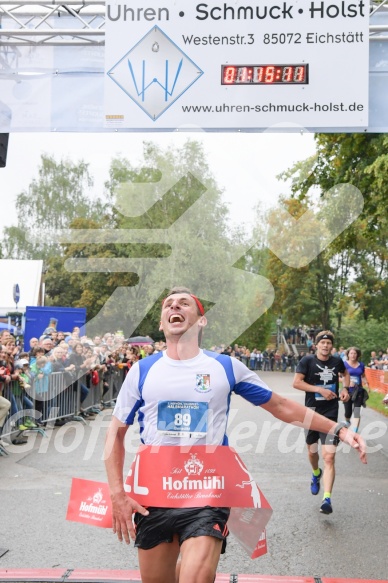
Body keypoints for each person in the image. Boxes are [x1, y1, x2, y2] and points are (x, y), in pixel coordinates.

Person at [105, 290, 366, 583]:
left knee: (196, 578)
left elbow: (280, 405)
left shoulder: (225, 366)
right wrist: (117, 494)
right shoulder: (142, 370)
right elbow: (115, 435)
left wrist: (338, 428)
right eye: (168, 304)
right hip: (155, 493)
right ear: (163, 324)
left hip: (208, 491)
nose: (174, 305)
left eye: (184, 303)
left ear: (201, 321)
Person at [293, 330, 352, 515]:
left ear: (332, 346)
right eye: (323, 343)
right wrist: (319, 389)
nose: (326, 346)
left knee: (329, 457)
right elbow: (296, 383)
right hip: (311, 412)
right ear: (316, 345)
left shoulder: (337, 361)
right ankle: (316, 473)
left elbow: (346, 373)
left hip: (330, 413)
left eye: (329, 343)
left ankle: (327, 498)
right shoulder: (307, 361)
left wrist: (345, 388)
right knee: (312, 452)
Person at [343, 347, 369, 433]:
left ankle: (354, 432)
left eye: (355, 353)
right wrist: (348, 382)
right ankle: (347, 421)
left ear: (357, 355)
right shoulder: (344, 364)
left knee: (357, 411)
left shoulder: (361, 365)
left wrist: (367, 384)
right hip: (347, 391)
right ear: (348, 355)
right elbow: (338, 377)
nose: (353, 355)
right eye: (351, 353)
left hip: (358, 391)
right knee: (348, 412)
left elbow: (363, 375)